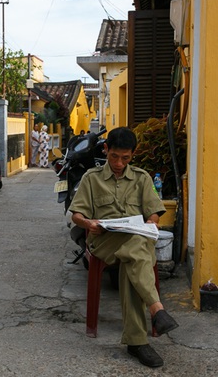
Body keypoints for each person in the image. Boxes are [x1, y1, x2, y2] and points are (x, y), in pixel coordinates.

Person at [69, 126, 178, 369]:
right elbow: (76, 215)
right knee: (137, 251)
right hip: (104, 241)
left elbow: (154, 213)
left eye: (125, 158)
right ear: (106, 150)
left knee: (134, 253)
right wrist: (88, 222)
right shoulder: (91, 178)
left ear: (133, 155)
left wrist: (151, 222)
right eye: (114, 156)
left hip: (136, 239)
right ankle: (156, 310)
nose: (119, 163)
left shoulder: (142, 178)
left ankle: (137, 341)